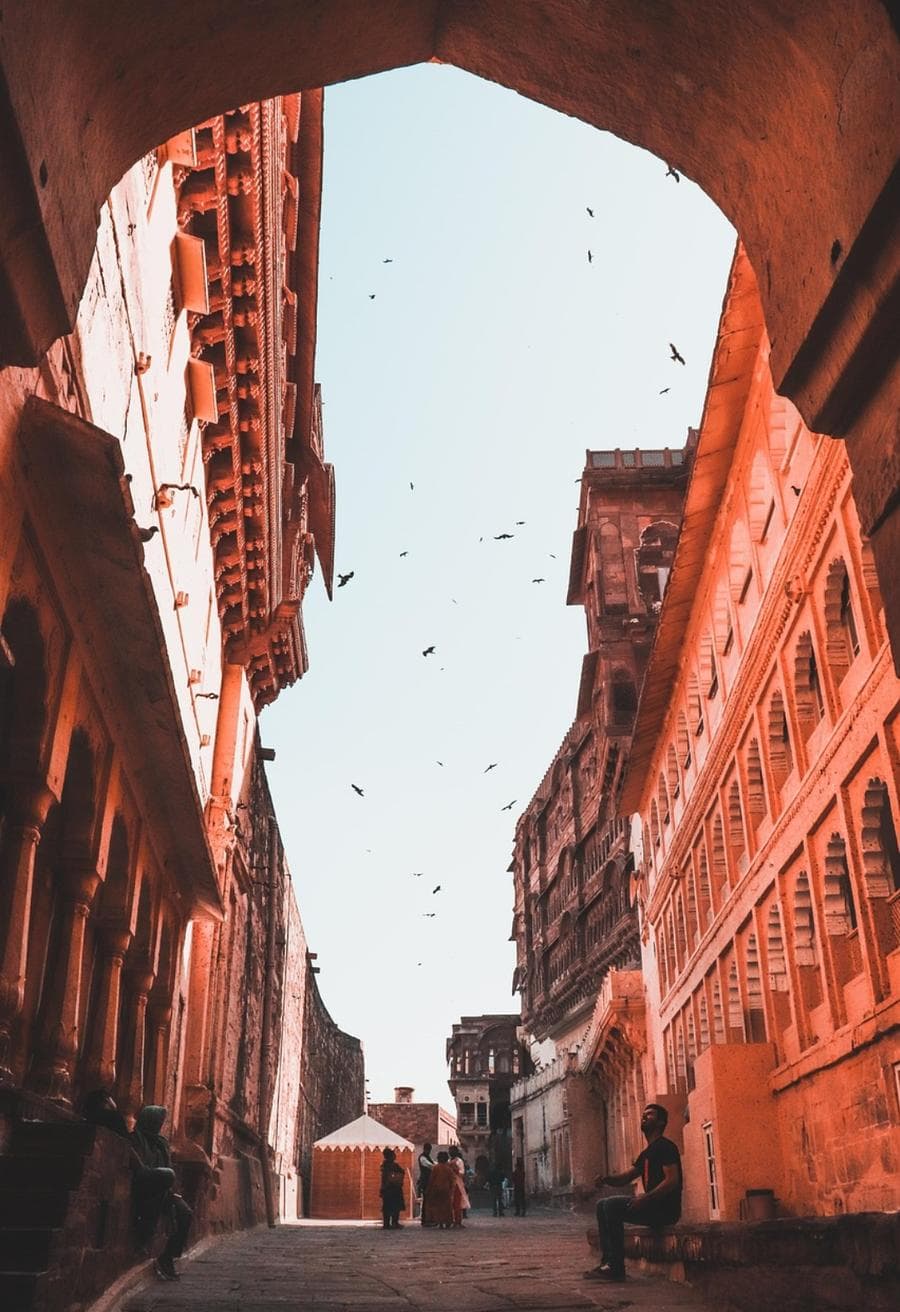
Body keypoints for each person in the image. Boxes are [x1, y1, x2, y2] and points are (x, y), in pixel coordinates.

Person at [585, 1103, 682, 1284]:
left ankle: (616, 1266)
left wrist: (646, 1198)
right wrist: (607, 1179)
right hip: (652, 1206)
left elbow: (672, 1180)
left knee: (612, 1206)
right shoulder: (647, 1152)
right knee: (601, 1205)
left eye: (650, 1114)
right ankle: (608, 1263)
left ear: (661, 1122)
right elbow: (626, 1177)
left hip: (665, 1210)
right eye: (643, 1114)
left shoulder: (666, 1147)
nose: (644, 1117)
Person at [130, 1105, 193, 1281]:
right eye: (158, 1121)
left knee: (185, 1213)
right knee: (155, 1200)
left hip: (164, 1190)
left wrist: (172, 1191)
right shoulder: (136, 1139)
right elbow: (140, 1168)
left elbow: (168, 1168)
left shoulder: (162, 1143)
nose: (160, 1125)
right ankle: (144, 1238)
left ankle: (168, 1256)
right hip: (146, 1187)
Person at [424, 1151, 456, 1229]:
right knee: (447, 1207)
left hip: (437, 1189)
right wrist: (452, 1190)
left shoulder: (436, 1168)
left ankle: (440, 1222)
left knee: (439, 1207)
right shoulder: (448, 1169)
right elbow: (452, 1180)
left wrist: (429, 1189)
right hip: (446, 1190)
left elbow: (431, 1179)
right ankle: (447, 1222)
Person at [379, 1147, 405, 1229]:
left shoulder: (384, 1165)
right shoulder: (394, 1165)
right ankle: (394, 1222)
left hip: (386, 1188)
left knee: (387, 1206)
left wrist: (382, 1188)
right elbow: (402, 1172)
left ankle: (386, 1224)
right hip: (394, 1188)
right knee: (395, 1206)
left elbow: (383, 1178)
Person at [448, 1145, 470, 1228]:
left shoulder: (459, 1161)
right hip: (449, 1183)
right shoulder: (448, 1160)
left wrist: (454, 1169)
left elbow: (462, 1173)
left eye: (452, 1151)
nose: (450, 1152)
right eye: (449, 1151)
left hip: (457, 1183)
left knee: (457, 1203)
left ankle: (458, 1221)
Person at [417, 1143, 434, 1225]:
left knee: (429, 1200)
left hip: (428, 1181)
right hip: (425, 1181)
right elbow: (430, 1165)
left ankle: (429, 1218)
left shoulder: (427, 1157)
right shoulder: (423, 1157)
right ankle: (425, 1220)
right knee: (426, 1201)